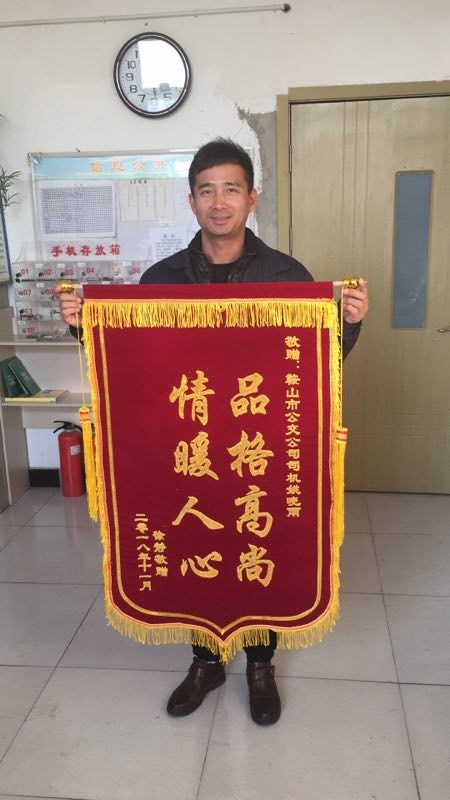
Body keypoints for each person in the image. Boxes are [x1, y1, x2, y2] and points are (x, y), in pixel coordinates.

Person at [57, 138, 369, 726]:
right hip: (190, 446)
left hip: (259, 447)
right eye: (206, 191)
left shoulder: (287, 276)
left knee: (257, 545)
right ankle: (205, 661)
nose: (219, 202)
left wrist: (348, 324)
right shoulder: (161, 279)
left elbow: (318, 366)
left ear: (252, 198)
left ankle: (260, 665)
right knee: (195, 546)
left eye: (231, 189)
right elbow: (131, 364)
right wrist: (83, 327)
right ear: (192, 201)